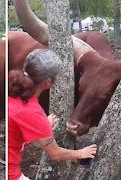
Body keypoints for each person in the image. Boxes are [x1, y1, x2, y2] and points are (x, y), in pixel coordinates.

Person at [8, 49, 97, 180]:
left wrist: (42, 128)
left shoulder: (10, 89)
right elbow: (55, 154)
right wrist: (81, 153)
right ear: (49, 82)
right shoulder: (33, 113)